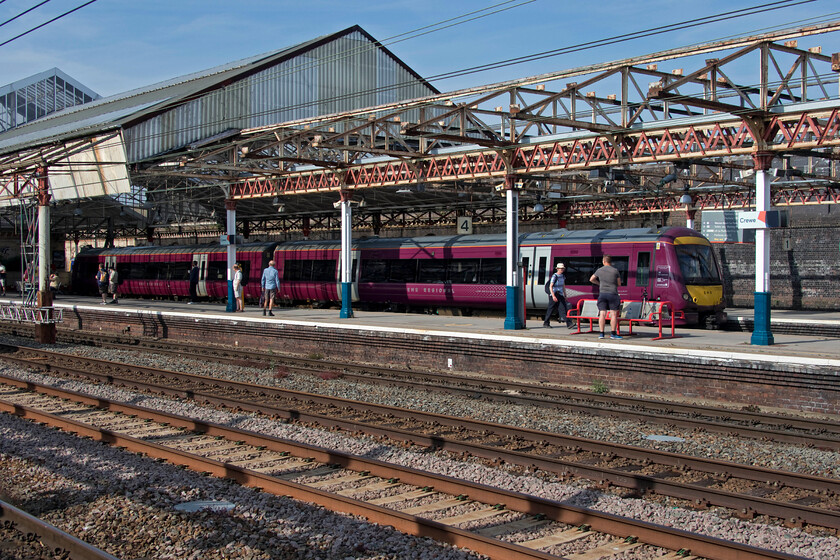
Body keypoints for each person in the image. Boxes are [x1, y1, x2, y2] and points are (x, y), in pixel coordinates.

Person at [590, 255, 622, 340]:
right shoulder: (615, 270)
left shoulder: (599, 270)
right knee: (614, 314)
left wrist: (599, 284)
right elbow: (619, 284)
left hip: (602, 294)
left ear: (603, 261)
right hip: (613, 294)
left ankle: (601, 333)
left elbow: (591, 279)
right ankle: (613, 334)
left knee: (602, 314)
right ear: (610, 262)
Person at [543, 262, 574, 328]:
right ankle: (546, 323)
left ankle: (569, 324)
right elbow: (550, 286)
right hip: (554, 294)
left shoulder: (562, 276)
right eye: (560, 268)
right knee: (550, 309)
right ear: (557, 269)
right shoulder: (555, 276)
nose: (562, 270)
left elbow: (563, 286)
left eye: (563, 268)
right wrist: (553, 295)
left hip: (560, 294)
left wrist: (565, 295)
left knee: (563, 308)